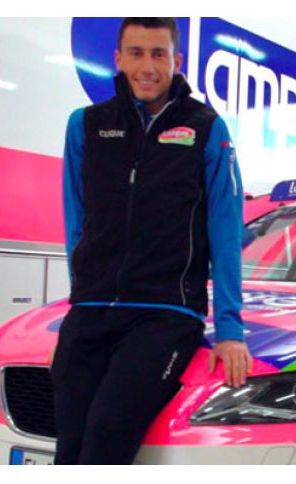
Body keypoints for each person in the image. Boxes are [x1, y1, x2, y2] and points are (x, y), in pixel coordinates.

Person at [51, 17, 251, 465]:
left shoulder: (206, 128)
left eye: (158, 54)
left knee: (105, 437)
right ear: (118, 59)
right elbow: (76, 219)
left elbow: (225, 230)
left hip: (165, 315)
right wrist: (80, 299)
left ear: (176, 61)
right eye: (136, 53)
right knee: (70, 446)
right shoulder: (85, 125)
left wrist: (230, 330)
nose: (147, 66)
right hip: (91, 310)